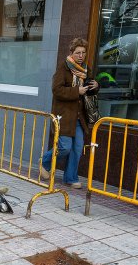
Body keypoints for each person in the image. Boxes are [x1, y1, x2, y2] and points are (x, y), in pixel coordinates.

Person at [41, 38, 99, 189]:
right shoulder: (64, 68)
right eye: (78, 52)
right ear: (71, 53)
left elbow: (89, 90)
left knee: (77, 148)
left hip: (80, 117)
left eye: (83, 52)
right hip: (64, 115)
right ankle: (45, 162)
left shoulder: (86, 69)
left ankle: (71, 178)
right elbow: (57, 90)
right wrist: (76, 91)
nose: (81, 55)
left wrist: (96, 86)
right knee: (65, 147)